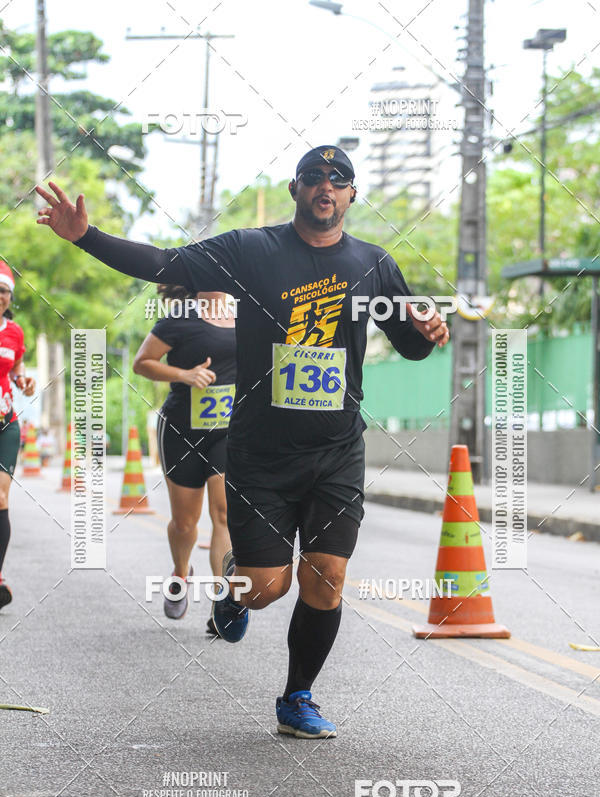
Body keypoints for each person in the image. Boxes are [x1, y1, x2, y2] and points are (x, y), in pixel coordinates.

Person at [36, 145, 449, 738]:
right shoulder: (250, 251)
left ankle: (296, 697)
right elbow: (163, 261)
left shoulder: (374, 264)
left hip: (337, 449)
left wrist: (428, 329)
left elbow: (409, 343)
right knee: (266, 588)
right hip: (260, 451)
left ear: (352, 195)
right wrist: (86, 237)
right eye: (313, 178)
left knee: (326, 576)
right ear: (295, 189)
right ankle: (234, 582)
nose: (325, 187)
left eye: (338, 179)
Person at [132, 284, 236, 630]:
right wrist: (184, 375)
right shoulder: (178, 319)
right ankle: (181, 572)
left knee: (223, 515)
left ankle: (223, 605)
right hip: (182, 429)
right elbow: (142, 363)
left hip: (229, 430)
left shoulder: (246, 317)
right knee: (185, 523)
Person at [0, 262, 36, 609]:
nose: (0, 296)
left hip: (6, 422)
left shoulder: (15, 332)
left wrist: (23, 380)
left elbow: (16, 369)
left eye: (4, 291)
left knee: (0, 497)